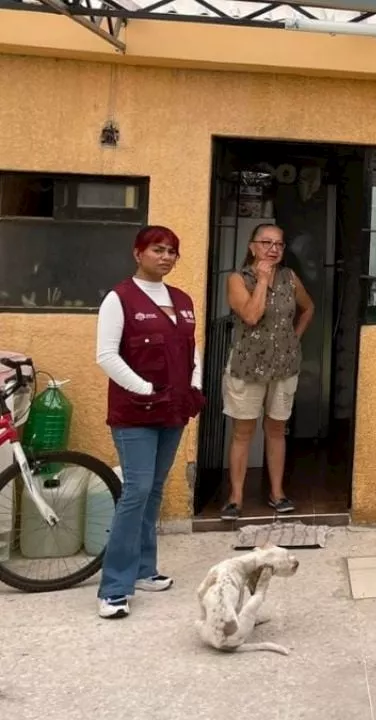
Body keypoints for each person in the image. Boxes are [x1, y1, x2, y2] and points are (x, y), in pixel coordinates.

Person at [94, 225, 205, 620]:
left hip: (173, 410)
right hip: (135, 412)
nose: (166, 257)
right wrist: (143, 389)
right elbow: (106, 355)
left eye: (172, 251)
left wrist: (193, 385)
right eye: (158, 249)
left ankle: (144, 569)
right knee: (136, 489)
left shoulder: (182, 299)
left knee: (154, 488)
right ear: (138, 253)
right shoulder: (119, 299)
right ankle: (114, 588)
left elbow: (192, 349)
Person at [221, 223, 314, 521]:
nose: (273, 249)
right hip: (247, 367)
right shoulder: (238, 279)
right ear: (252, 247)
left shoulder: (290, 277)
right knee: (243, 432)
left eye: (279, 244)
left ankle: (277, 493)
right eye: (266, 243)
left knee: (276, 430)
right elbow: (250, 315)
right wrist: (261, 280)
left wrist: (293, 340)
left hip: (284, 367)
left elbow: (308, 308)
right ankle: (235, 498)